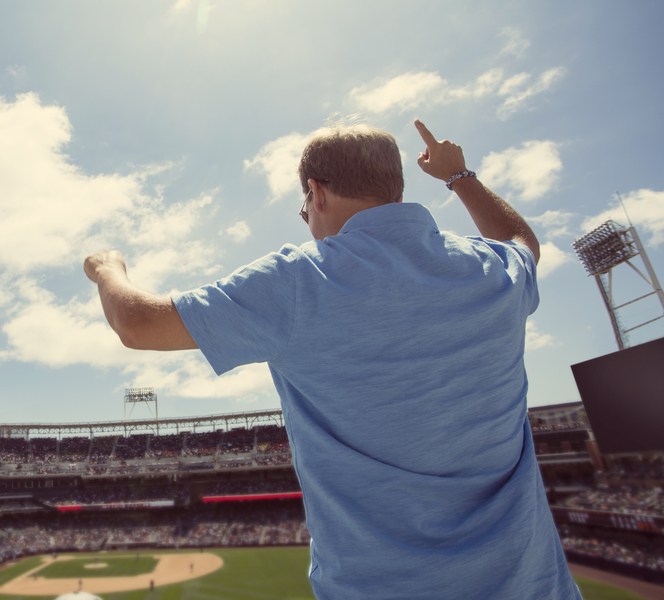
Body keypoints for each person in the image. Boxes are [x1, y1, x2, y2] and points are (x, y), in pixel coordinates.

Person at [83, 120, 580, 599]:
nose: (310, 221)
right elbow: (524, 245)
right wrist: (459, 176)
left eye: (306, 209)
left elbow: (136, 324)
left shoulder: (301, 281)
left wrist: (108, 269)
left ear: (317, 193)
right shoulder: (490, 271)